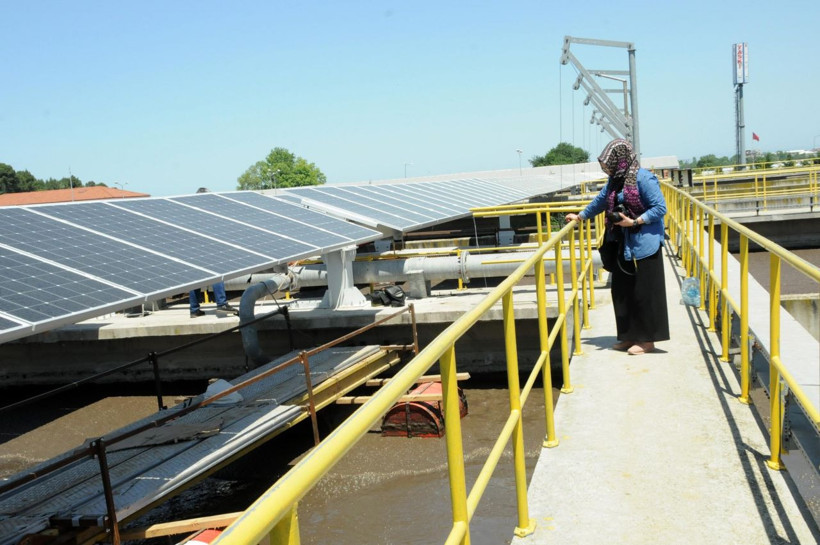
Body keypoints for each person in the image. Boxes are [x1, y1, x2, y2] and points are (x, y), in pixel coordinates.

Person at [565, 138, 669, 355]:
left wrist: (635, 222)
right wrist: (580, 216)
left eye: (610, 164)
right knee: (622, 291)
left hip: (644, 243)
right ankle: (629, 336)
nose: (607, 169)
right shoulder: (614, 181)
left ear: (621, 160)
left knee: (644, 293)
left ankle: (647, 341)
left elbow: (660, 208)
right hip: (622, 242)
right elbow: (600, 202)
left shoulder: (644, 178)